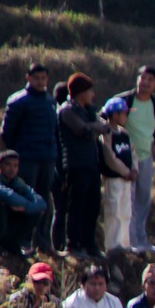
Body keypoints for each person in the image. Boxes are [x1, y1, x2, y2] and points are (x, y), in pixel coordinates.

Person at [112, 65, 155, 253]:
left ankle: (141, 239)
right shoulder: (123, 100)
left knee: (143, 198)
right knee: (128, 199)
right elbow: (105, 119)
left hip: (146, 156)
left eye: (150, 80)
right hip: (126, 158)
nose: (145, 83)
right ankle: (129, 241)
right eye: (142, 78)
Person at [0, 65, 58, 251]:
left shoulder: (50, 101)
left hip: (47, 158)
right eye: (37, 78)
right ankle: (23, 240)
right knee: (26, 199)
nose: (40, 81)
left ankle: (42, 241)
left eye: (43, 78)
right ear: (28, 77)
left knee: (44, 201)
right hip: (27, 159)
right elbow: (7, 133)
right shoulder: (18, 101)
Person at [50, 77, 106, 254]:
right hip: (75, 164)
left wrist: (94, 128)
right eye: (90, 91)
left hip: (91, 163)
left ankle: (89, 243)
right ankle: (73, 243)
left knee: (92, 205)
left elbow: (100, 128)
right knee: (76, 206)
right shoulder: (67, 111)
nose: (93, 94)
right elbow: (82, 130)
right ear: (81, 92)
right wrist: (95, 128)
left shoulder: (88, 110)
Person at [0, 150, 47, 256]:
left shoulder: (17, 181)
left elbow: (41, 203)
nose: (12, 169)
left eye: (15, 166)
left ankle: (13, 245)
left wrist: (25, 208)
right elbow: (9, 196)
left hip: (8, 219)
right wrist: (27, 206)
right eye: (8, 165)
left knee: (36, 212)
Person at [97, 96, 138, 252]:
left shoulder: (125, 133)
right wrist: (126, 171)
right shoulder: (107, 134)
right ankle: (113, 245)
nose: (126, 117)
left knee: (126, 211)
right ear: (114, 115)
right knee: (113, 211)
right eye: (123, 113)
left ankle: (124, 243)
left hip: (126, 180)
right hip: (114, 178)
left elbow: (133, 153)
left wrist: (134, 170)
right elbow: (109, 157)